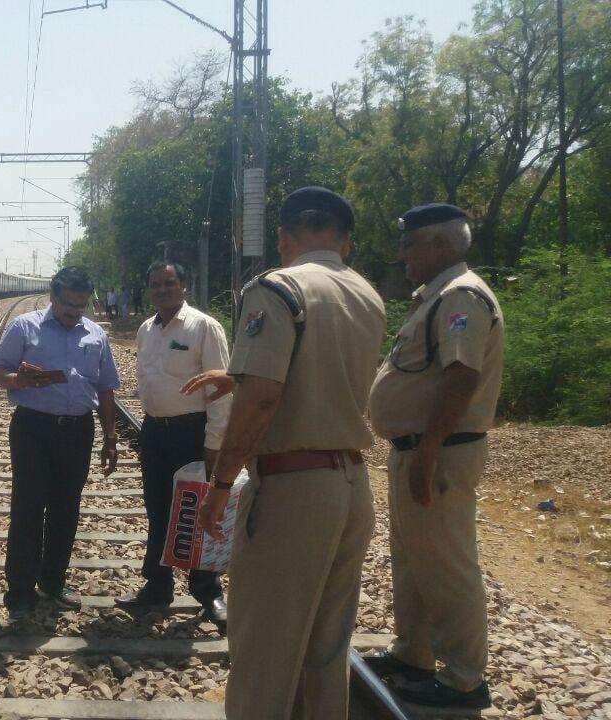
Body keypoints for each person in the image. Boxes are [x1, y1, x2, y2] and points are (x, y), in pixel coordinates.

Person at [184, 186, 386, 720]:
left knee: (264, 649)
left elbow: (263, 397)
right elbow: (317, 373)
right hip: (351, 486)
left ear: (283, 238)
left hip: (293, 490)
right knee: (325, 648)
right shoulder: (365, 293)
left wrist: (220, 486)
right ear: (344, 242)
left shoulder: (278, 288)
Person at [364, 204, 503, 710]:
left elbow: (460, 375)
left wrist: (428, 451)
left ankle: (466, 678)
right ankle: (413, 655)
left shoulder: (459, 295)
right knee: (413, 558)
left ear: (440, 246)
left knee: (446, 562)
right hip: (419, 450)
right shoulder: (436, 297)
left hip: (439, 451)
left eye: (410, 244)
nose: (401, 254)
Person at [0, 266, 121, 622]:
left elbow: (107, 389)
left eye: (81, 307)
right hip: (33, 428)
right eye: (68, 306)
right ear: (53, 296)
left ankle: (52, 582)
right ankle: (19, 593)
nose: (74, 313)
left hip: (77, 431)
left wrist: (110, 437)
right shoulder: (24, 327)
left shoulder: (95, 335)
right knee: (28, 508)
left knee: (66, 509)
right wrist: (20, 380)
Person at [116, 260, 232, 630]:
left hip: (191, 432)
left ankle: (207, 588)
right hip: (154, 432)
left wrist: (214, 444)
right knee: (158, 509)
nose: (162, 289)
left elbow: (221, 390)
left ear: (184, 285)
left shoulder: (203, 327)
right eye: (155, 284)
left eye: (169, 283)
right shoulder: (147, 329)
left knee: (198, 509)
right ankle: (158, 583)